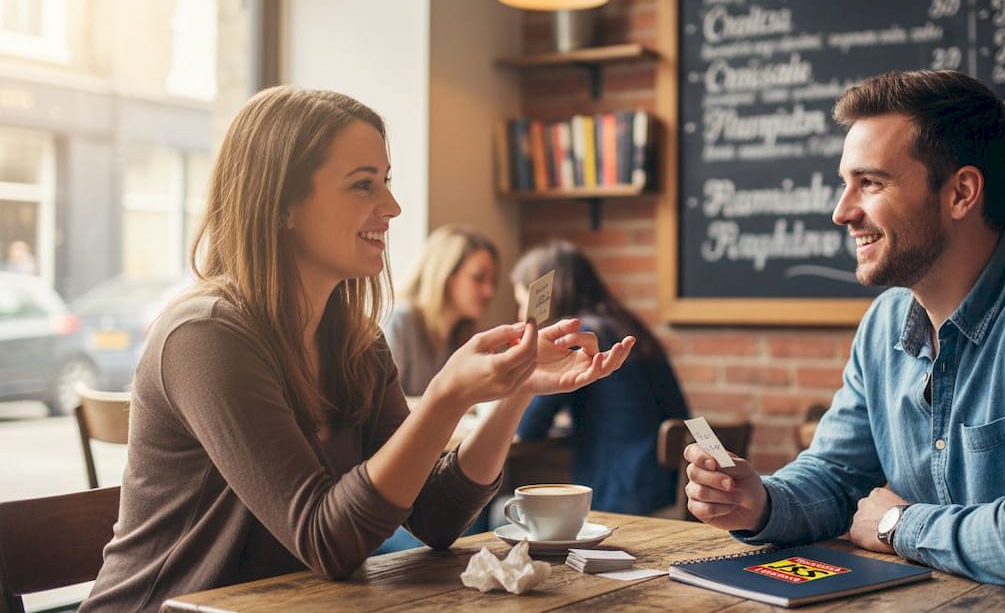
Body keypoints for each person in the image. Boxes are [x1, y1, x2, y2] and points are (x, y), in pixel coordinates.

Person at [81, 86, 634, 613]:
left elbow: (437, 517)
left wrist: (514, 389)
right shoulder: (206, 336)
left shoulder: (355, 342)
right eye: (363, 185)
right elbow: (326, 542)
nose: (392, 206)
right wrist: (445, 396)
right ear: (283, 205)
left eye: (385, 182)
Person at [682, 70, 1005, 609]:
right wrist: (760, 502)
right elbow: (837, 476)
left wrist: (897, 524)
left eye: (870, 183)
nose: (842, 211)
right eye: (845, 182)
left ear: (961, 193)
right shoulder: (884, 323)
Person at [512, 241, 690, 515]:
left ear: (543, 299)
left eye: (521, 302)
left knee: (502, 509)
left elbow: (529, 427)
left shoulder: (579, 338)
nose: (520, 313)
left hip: (624, 498)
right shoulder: (628, 327)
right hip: (669, 489)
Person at [385, 225, 500, 396]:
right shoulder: (399, 322)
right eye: (478, 277)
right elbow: (384, 406)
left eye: (493, 281)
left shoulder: (461, 334)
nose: (489, 291)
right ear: (445, 275)